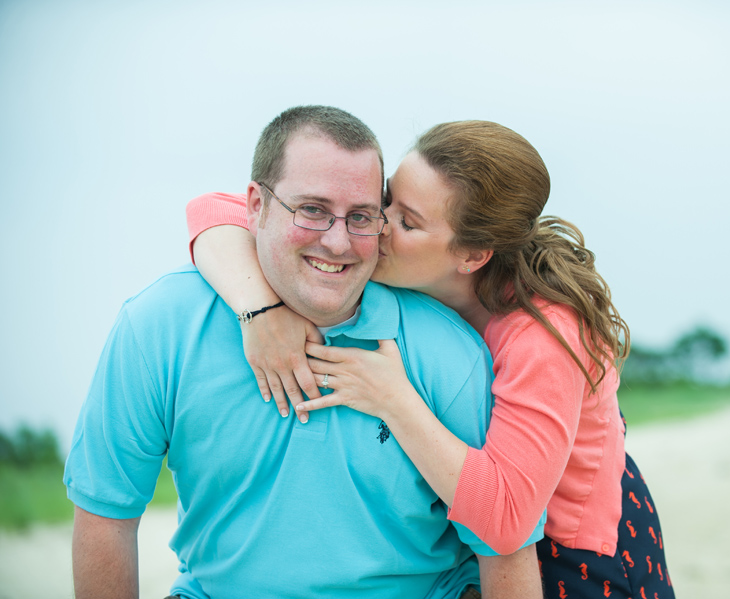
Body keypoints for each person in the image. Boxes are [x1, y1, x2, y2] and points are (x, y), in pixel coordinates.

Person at [64, 106, 543, 599]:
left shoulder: (452, 353)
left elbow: (503, 546)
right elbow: (107, 513)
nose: (337, 242)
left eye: (360, 217)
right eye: (312, 209)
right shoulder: (159, 326)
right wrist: (257, 310)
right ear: (255, 206)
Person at [188, 120, 675, 598]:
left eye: (407, 222)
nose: (373, 228)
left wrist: (392, 399)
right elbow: (213, 210)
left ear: (471, 254)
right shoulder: (421, 270)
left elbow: (507, 520)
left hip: (573, 554)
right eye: (385, 202)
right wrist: (260, 311)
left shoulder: (542, 335)